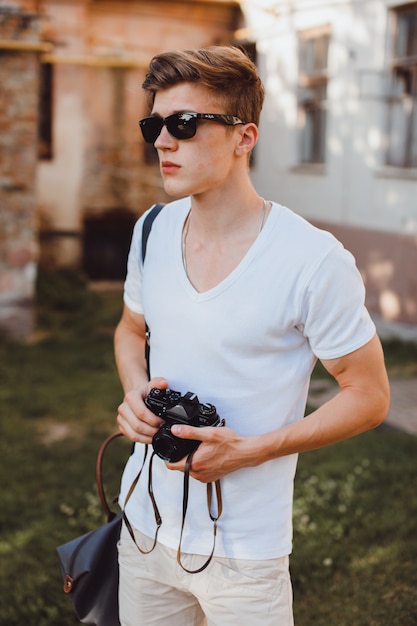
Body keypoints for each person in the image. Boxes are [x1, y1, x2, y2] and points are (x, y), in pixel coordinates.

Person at [114, 46, 390, 626]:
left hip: (245, 553)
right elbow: (130, 329)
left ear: (244, 138)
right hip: (143, 528)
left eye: (184, 125)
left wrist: (251, 451)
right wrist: (136, 392)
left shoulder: (313, 261)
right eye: (154, 124)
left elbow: (369, 397)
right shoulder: (152, 229)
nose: (162, 142)